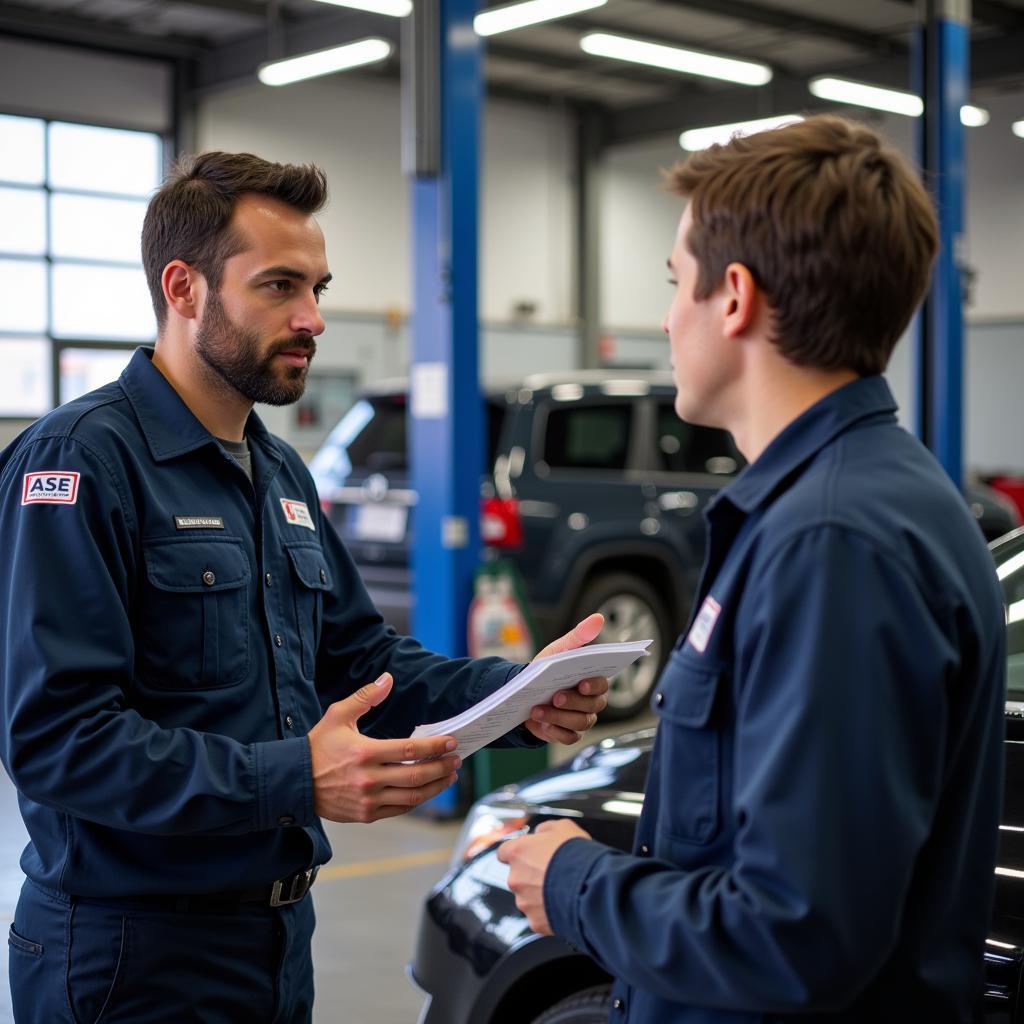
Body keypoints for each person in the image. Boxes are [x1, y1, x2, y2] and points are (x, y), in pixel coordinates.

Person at [0, 151, 609, 1023]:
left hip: (276, 939)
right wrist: (294, 778)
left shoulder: (279, 470)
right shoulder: (80, 461)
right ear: (184, 288)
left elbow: (359, 658)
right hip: (130, 957)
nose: (312, 318)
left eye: (318, 288)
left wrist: (517, 690)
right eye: (280, 287)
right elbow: (57, 740)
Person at [499, 115, 1007, 1022]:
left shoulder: (834, 542)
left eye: (673, 283)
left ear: (733, 297)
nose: (665, 317)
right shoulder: (859, 502)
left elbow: (793, 933)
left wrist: (573, 881)